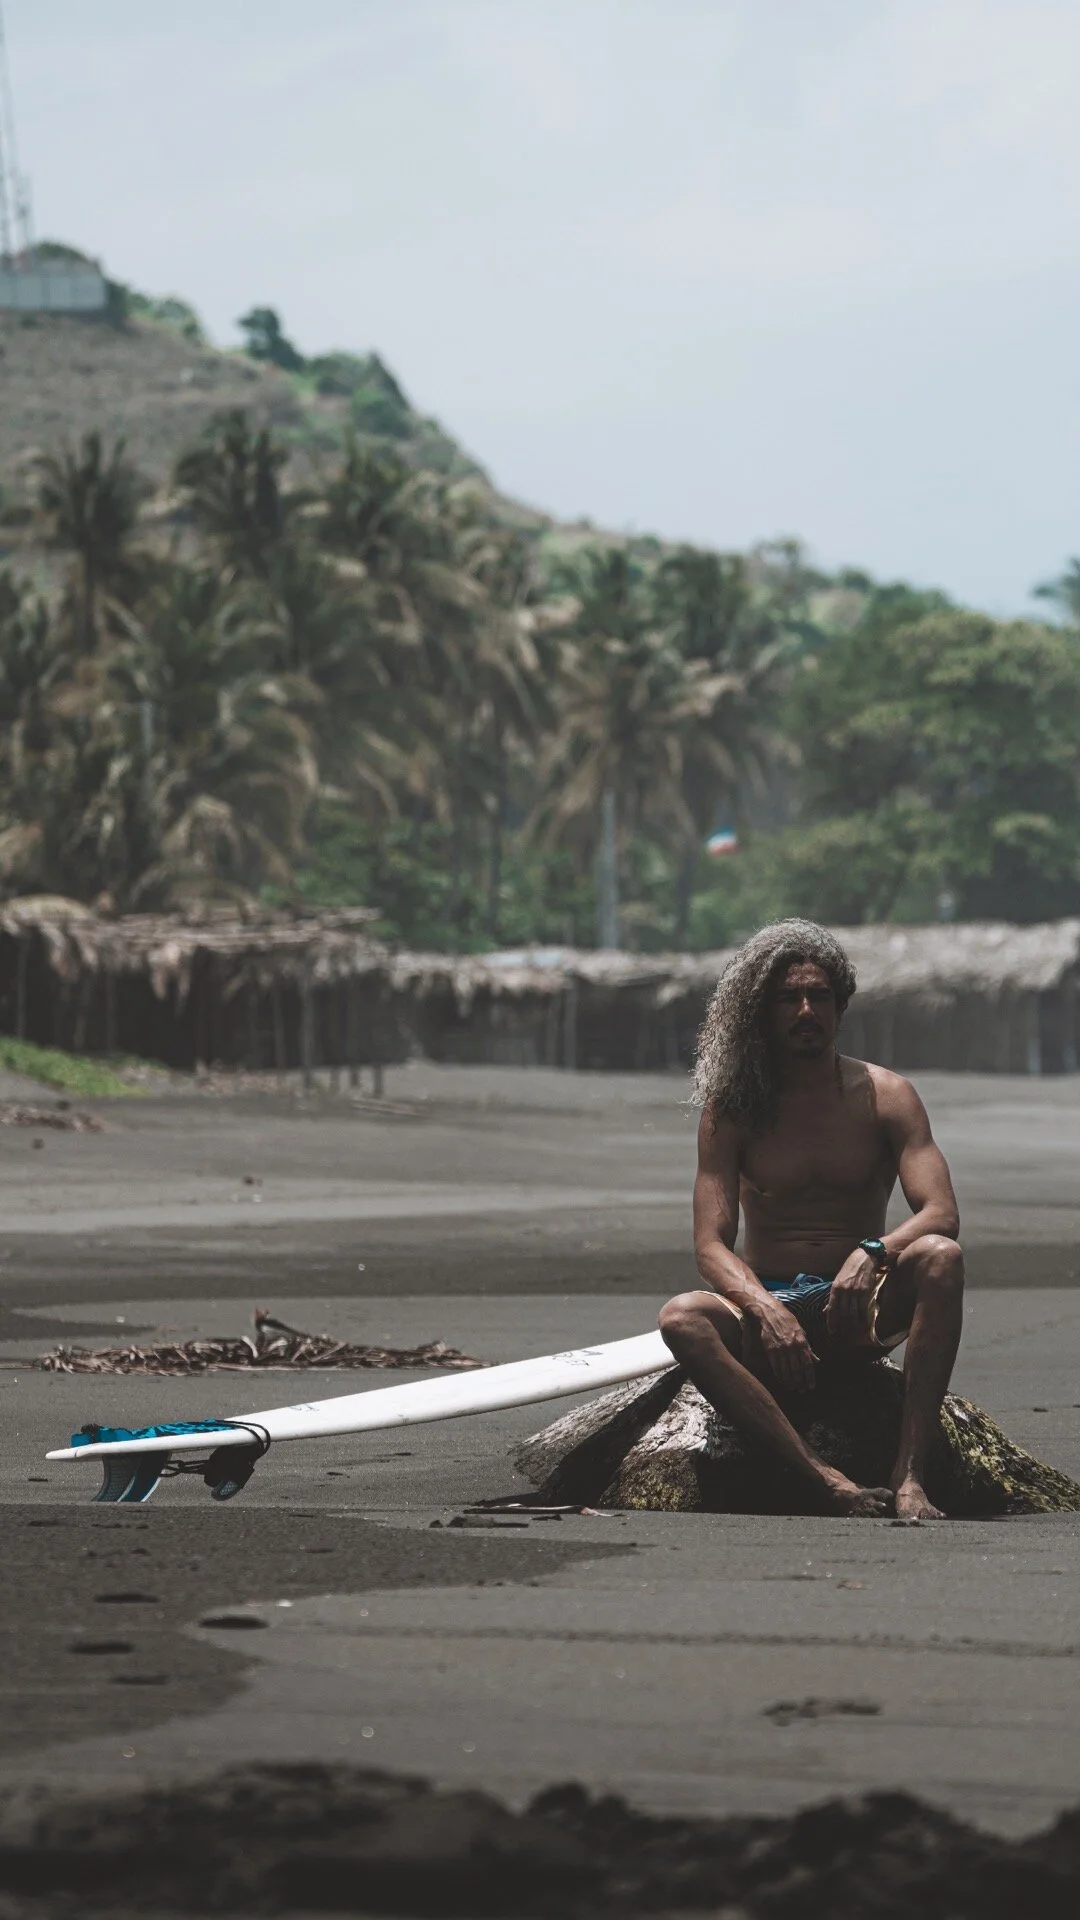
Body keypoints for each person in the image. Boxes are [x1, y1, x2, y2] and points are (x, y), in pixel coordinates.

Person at [658, 919, 964, 1522]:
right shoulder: (733, 1109)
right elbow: (710, 1245)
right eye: (787, 998)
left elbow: (941, 1212)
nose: (805, 1010)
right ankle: (821, 1478)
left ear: (840, 1004)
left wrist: (873, 1250)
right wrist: (763, 1307)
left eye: (818, 995)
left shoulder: (887, 1095)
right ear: (761, 1013)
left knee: (941, 1259)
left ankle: (910, 1477)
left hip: (861, 1308)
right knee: (682, 1318)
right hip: (771, 1309)